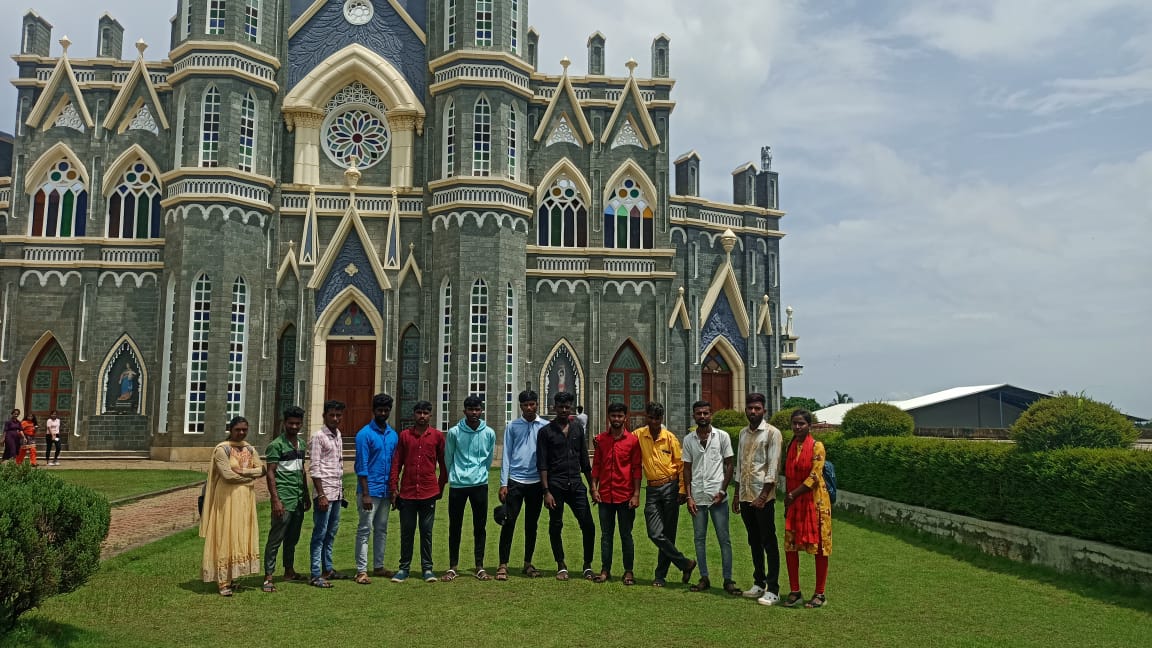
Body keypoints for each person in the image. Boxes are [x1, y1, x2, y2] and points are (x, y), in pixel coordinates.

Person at [199, 416, 266, 596]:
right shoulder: (222, 449)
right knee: (226, 534)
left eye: (245, 429)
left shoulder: (249, 448)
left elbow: (262, 469)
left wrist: (243, 471)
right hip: (227, 498)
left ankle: (233, 575)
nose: (241, 433)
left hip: (245, 499)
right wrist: (250, 477)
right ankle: (223, 581)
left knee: (240, 533)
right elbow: (228, 475)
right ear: (230, 429)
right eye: (238, 430)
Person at [634, 401, 696, 588]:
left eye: (657, 418)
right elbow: (623, 440)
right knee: (654, 533)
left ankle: (660, 576)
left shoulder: (670, 438)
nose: (654, 422)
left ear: (662, 418)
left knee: (668, 533)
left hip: (671, 486)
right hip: (652, 489)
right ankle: (685, 563)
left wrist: (682, 490)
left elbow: (680, 465)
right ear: (646, 417)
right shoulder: (639, 435)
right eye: (651, 418)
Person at [537, 391, 597, 581]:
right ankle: (561, 564)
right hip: (556, 485)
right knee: (556, 525)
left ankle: (587, 565)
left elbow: (584, 461)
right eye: (560, 407)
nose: (564, 410)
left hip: (576, 484)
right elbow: (542, 464)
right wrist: (546, 491)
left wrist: (593, 487)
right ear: (554, 408)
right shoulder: (546, 432)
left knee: (588, 525)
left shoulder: (577, 428)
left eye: (567, 407)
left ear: (571, 408)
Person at [682, 400, 738, 595]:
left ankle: (728, 579)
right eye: (699, 413)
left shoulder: (722, 436)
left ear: (711, 414)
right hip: (698, 496)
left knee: (724, 539)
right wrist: (689, 497)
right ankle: (704, 577)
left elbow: (729, 464)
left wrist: (722, 491)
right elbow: (686, 469)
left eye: (705, 413)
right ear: (694, 416)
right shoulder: (689, 440)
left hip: (717, 497)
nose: (702, 416)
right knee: (699, 539)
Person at [389, 400, 448, 583]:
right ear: (414, 414)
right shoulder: (405, 436)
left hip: (428, 491)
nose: (422, 416)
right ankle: (404, 568)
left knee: (426, 531)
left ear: (430, 415)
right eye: (419, 413)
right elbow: (397, 463)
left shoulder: (437, 436)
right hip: (407, 492)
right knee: (407, 532)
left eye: (425, 413)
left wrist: (440, 486)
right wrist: (394, 487)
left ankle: (427, 568)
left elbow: (444, 465)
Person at [733, 393, 784, 605]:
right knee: (753, 540)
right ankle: (759, 583)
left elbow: (773, 467)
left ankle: (773, 588)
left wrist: (763, 496)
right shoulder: (743, 433)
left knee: (768, 541)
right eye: (750, 408)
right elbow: (740, 465)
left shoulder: (772, 433)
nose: (753, 412)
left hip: (763, 497)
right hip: (746, 495)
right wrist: (736, 495)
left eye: (757, 408)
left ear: (764, 410)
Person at [782, 409, 833, 608]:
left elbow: (814, 476)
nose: (797, 427)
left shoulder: (817, 446)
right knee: (790, 544)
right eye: (794, 423)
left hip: (815, 502)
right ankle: (795, 591)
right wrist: (790, 499)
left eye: (801, 423)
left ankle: (820, 593)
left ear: (809, 426)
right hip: (795, 501)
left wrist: (792, 495)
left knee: (820, 547)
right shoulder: (791, 445)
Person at [496, 390, 549, 581]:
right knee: (508, 522)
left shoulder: (545, 426)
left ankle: (528, 563)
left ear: (537, 404)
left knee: (531, 525)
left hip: (536, 482)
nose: (529, 408)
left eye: (532, 404)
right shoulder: (513, 426)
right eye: (525, 405)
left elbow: (549, 457)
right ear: (520, 407)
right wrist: (504, 483)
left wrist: (547, 487)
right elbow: (507, 455)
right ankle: (503, 564)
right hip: (516, 481)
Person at [444, 395, 496, 581]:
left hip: (479, 484)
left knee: (480, 526)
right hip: (458, 484)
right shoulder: (454, 432)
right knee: (455, 526)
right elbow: (448, 457)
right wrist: (454, 476)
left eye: (477, 409)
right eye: (470, 409)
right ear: (464, 411)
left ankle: (479, 566)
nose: (474, 413)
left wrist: (480, 473)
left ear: (481, 410)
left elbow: (488, 459)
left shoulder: (489, 433)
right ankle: (453, 567)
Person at [591, 402, 641, 585]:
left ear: (625, 418)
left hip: (625, 495)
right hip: (605, 495)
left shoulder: (632, 441)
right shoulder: (602, 440)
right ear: (609, 417)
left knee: (626, 535)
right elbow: (597, 465)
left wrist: (636, 494)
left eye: (620, 416)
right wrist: (594, 488)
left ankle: (628, 571)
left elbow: (636, 468)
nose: (617, 419)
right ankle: (605, 570)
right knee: (606, 535)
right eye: (613, 416)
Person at [352, 393, 399, 585]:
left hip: (386, 490)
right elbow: (361, 466)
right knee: (365, 529)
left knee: (381, 529)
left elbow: (394, 465)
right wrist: (365, 494)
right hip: (369, 491)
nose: (383, 413)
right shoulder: (364, 434)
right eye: (380, 410)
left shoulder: (392, 435)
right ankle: (361, 570)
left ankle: (379, 566)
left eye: (386, 410)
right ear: (373, 411)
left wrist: (394, 490)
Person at [262, 406, 310, 592]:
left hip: (297, 499)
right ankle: (268, 576)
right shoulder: (276, 445)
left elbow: (302, 471)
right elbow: (270, 474)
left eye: (297, 423)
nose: (294, 426)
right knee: (276, 538)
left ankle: (289, 571)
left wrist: (306, 495)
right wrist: (276, 500)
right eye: (291, 423)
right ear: (284, 423)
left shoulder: (301, 444)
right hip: (284, 499)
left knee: (292, 538)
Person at [308, 400, 346, 588]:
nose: (335, 418)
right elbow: (314, 468)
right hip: (325, 493)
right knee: (320, 534)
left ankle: (327, 568)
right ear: (324, 416)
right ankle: (315, 574)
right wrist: (321, 495)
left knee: (331, 533)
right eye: (332, 415)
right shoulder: (318, 437)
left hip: (336, 492)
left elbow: (337, 465)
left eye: (338, 415)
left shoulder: (337, 435)